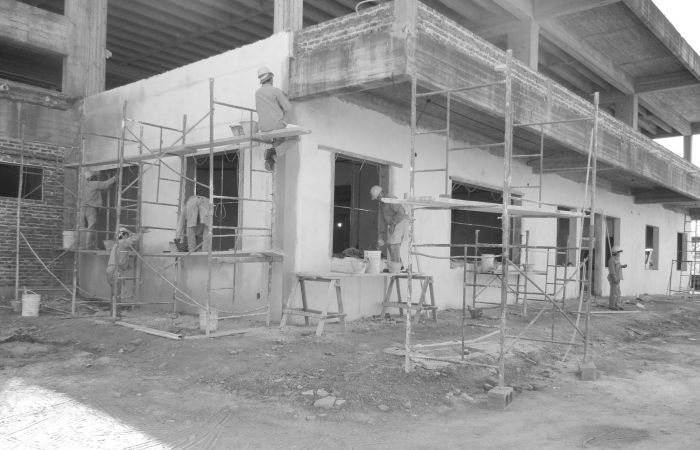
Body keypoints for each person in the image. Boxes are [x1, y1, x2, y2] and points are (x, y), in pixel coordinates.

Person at [255, 66, 294, 171]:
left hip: (263, 128)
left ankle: (271, 159)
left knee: (278, 140)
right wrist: (283, 97)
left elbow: (264, 109)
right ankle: (273, 152)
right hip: (277, 125)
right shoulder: (276, 91)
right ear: (271, 78)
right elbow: (288, 107)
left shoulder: (257, 93)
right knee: (295, 137)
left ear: (261, 81)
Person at [370, 185, 408, 267]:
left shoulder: (391, 199)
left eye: (377, 197)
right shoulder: (382, 204)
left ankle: (397, 267)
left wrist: (393, 224)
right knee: (390, 245)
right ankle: (399, 266)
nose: (377, 199)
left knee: (394, 245)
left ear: (380, 194)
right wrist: (380, 236)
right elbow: (382, 221)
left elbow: (401, 213)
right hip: (393, 223)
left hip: (400, 221)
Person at [81, 169, 117, 249]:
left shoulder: (86, 186)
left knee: (90, 228)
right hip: (91, 208)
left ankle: (89, 245)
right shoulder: (94, 184)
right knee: (91, 228)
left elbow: (100, 192)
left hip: (85, 208)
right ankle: (90, 246)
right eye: (95, 177)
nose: (96, 178)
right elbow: (105, 184)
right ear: (92, 178)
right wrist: (114, 178)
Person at [106, 227, 142, 305]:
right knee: (117, 293)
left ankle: (114, 312)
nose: (128, 237)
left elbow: (121, 257)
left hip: (111, 270)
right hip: (115, 271)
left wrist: (127, 266)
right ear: (124, 235)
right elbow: (134, 240)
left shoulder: (117, 244)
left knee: (115, 293)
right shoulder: (122, 242)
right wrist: (140, 232)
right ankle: (116, 313)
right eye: (127, 235)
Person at [607, 245, 627, 310]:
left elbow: (617, 266)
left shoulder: (616, 259)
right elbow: (612, 270)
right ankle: (612, 305)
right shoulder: (612, 260)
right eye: (619, 252)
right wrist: (614, 277)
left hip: (617, 278)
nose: (620, 254)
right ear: (616, 252)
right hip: (614, 278)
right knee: (614, 292)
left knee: (618, 292)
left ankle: (617, 305)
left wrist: (622, 266)